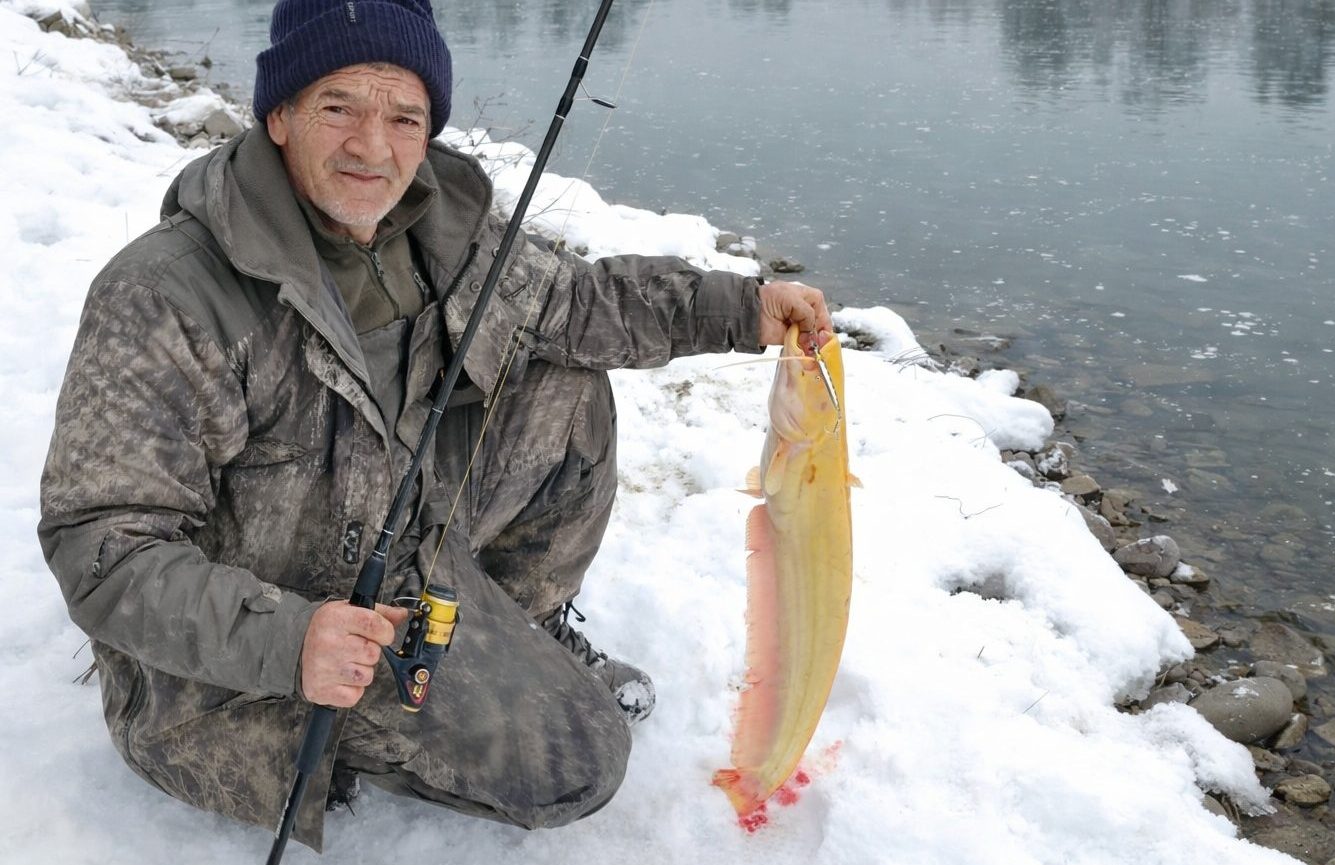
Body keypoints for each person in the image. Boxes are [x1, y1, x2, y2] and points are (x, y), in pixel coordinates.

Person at [38, 0, 831, 852]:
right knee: (582, 758)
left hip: (399, 528)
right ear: (279, 115)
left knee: (568, 388)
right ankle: (337, 740)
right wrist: (289, 638)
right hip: (258, 648)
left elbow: (577, 303)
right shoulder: (164, 294)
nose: (372, 148)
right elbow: (100, 544)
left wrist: (743, 309)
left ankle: (515, 622)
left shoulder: (435, 227)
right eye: (338, 105)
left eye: (404, 117)